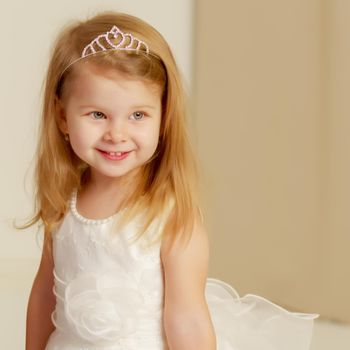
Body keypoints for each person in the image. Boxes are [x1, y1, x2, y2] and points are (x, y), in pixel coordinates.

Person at [23, 11, 318, 350]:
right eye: (97, 114)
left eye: (138, 115)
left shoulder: (170, 215)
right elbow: (45, 296)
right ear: (62, 116)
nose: (117, 134)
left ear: (163, 117)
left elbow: (187, 319)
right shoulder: (64, 202)